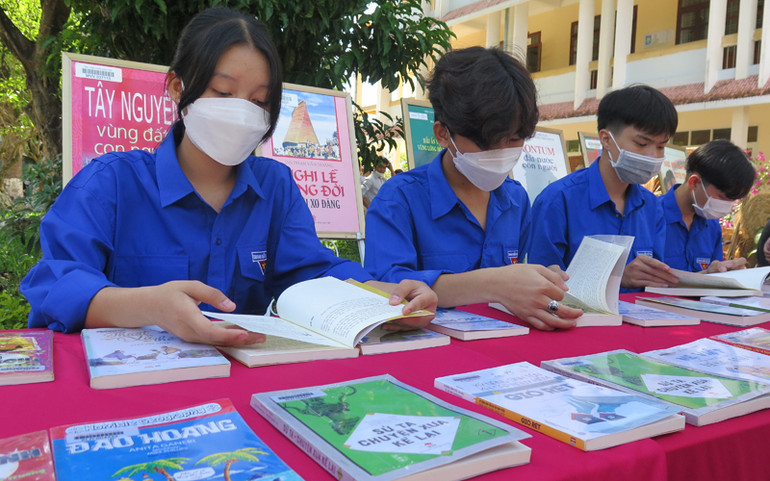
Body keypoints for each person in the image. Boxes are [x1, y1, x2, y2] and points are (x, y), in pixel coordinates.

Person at [20, 7, 436, 346]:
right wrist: (149, 306)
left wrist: (379, 294)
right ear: (177, 88)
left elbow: (309, 271)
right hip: (132, 395)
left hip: (247, 392)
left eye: (259, 101)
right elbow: (56, 285)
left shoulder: (274, 186)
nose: (242, 113)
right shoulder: (111, 183)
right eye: (223, 93)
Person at [364, 46, 582, 331]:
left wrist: (541, 281)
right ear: (443, 134)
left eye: (514, 139)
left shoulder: (516, 200)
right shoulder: (399, 200)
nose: (501, 152)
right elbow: (389, 292)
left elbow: (514, 290)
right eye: (488, 143)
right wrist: (496, 284)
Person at [525, 84, 680, 292]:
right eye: (642, 144)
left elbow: (656, 283)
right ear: (606, 139)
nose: (653, 156)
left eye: (661, 146)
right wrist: (617, 277)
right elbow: (541, 287)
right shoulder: (558, 201)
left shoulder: (651, 206)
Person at [660, 140, 754, 273]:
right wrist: (706, 274)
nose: (727, 206)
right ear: (694, 182)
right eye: (722, 197)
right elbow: (644, 282)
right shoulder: (650, 216)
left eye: (732, 200)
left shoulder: (712, 226)